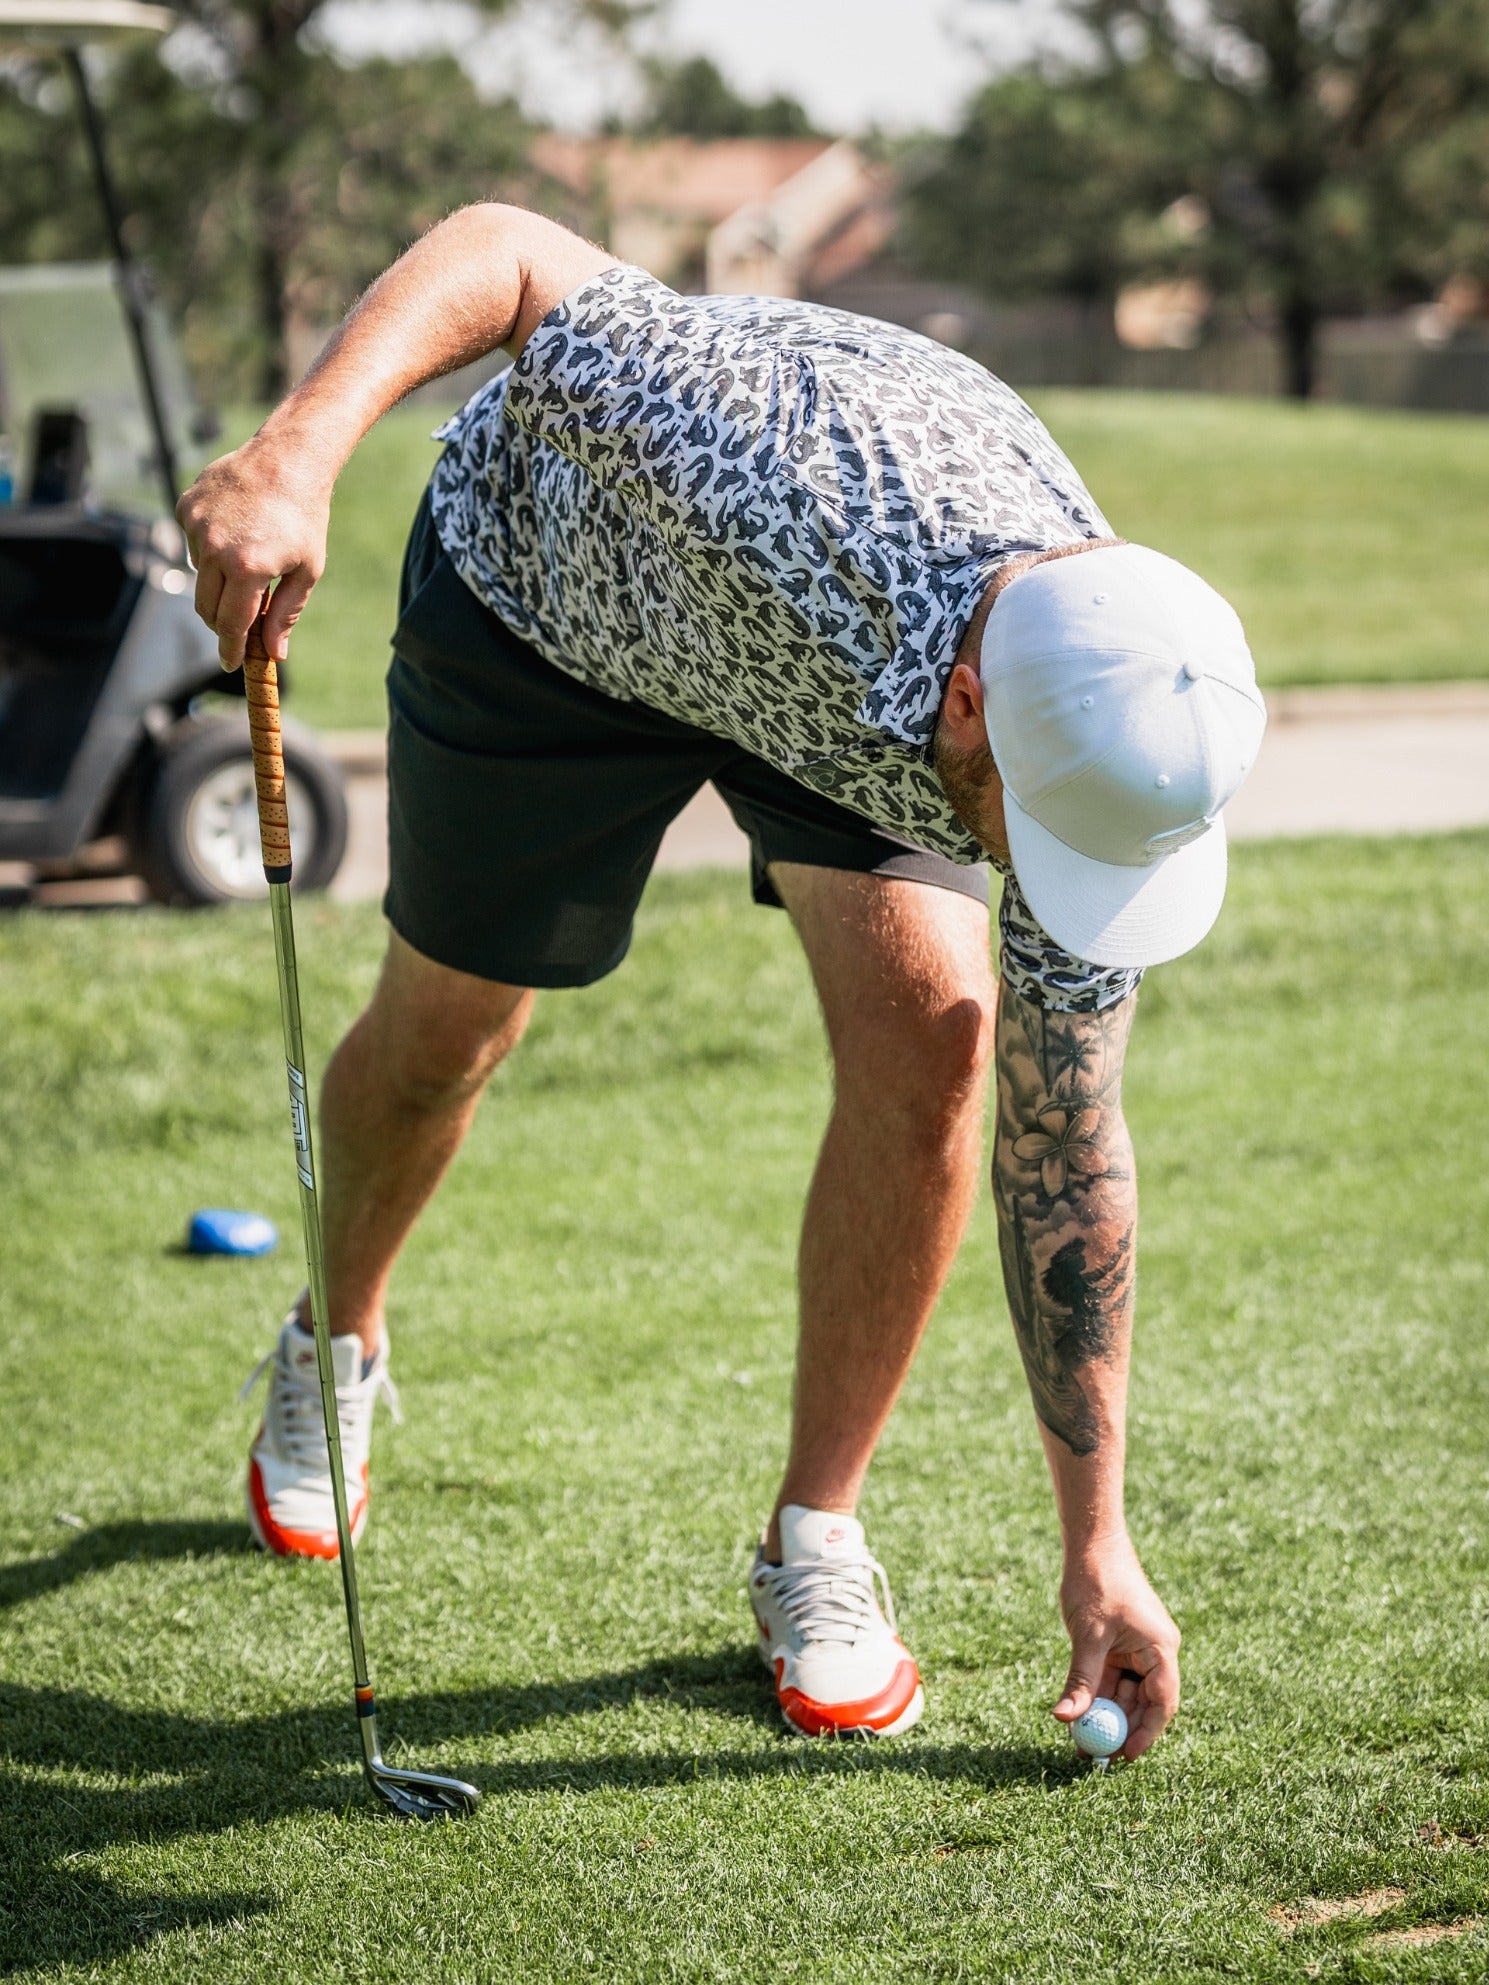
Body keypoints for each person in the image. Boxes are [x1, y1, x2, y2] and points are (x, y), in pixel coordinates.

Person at [179, 204, 1265, 1759]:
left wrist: (1097, 1541)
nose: (1047, 879)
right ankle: (333, 1338)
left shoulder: (1103, 738)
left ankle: (812, 1532)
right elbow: (507, 251)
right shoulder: (756, 462)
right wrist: (298, 451)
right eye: (1034, 836)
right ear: (969, 707)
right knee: (444, 1036)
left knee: (940, 1043)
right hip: (548, 599)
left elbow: (1062, 1138)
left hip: (836, 703)